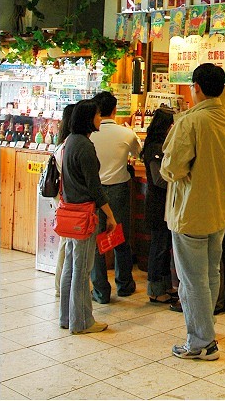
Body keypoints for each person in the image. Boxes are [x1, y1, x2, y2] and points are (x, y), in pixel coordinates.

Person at [161, 63, 225, 360]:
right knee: (210, 273)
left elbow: (172, 168)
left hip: (191, 211)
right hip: (219, 208)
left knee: (192, 279)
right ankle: (207, 330)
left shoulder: (191, 121)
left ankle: (201, 342)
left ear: (196, 87)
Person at [59, 99, 116, 334]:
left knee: (71, 266)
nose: (100, 119)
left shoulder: (70, 141)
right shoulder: (84, 146)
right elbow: (95, 187)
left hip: (70, 213)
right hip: (85, 215)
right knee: (82, 270)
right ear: (88, 118)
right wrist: (110, 215)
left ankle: (67, 317)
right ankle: (82, 322)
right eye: (97, 115)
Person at [90, 90, 141, 303]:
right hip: (118, 190)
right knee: (120, 237)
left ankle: (100, 291)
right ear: (115, 110)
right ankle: (124, 284)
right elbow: (138, 154)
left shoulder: (89, 134)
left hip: (94, 192)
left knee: (96, 242)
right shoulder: (126, 134)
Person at [140, 107, 178, 304]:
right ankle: (155, 290)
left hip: (163, 203)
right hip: (157, 203)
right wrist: (178, 180)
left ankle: (165, 286)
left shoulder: (161, 145)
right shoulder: (155, 148)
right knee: (159, 247)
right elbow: (158, 179)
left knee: (165, 245)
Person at [53, 103, 76, 297]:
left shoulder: (62, 144)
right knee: (67, 243)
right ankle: (62, 286)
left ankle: (60, 285)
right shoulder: (70, 145)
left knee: (65, 242)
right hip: (67, 199)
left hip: (61, 197)